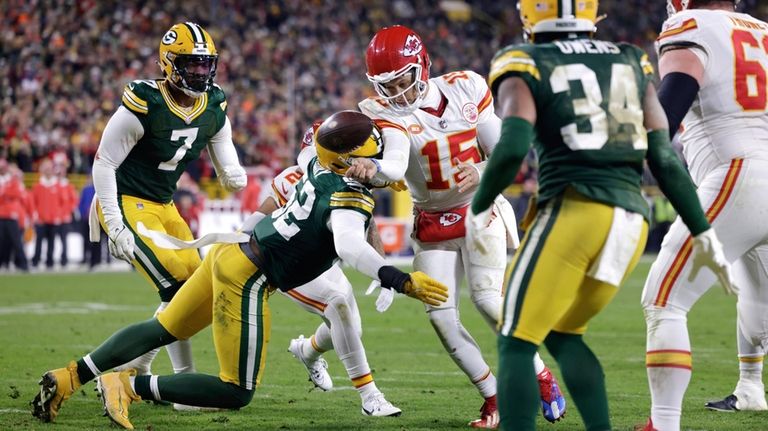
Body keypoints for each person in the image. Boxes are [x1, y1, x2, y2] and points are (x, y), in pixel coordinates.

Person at [30, 110, 448, 430]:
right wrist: (400, 278)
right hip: (249, 275)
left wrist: (379, 173)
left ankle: (68, 377)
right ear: (349, 160)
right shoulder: (347, 189)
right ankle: (128, 386)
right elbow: (349, 245)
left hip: (230, 252)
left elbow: (353, 168)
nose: (377, 158)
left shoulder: (318, 166)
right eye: (370, 153)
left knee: (164, 329)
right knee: (236, 390)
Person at [467, 1, 735, 429]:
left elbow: (514, 145)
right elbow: (664, 158)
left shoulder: (522, 59)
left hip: (575, 208)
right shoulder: (630, 58)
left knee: (516, 341)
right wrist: (704, 234)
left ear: (530, 15)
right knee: (563, 332)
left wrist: (479, 205)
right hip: (632, 218)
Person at [333, 25, 565, 428]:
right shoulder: (377, 112)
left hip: (478, 209)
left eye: (402, 80)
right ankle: (494, 397)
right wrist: (369, 170)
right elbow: (387, 165)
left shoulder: (467, 87)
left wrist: (479, 169)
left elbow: (507, 154)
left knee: (488, 301)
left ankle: (541, 376)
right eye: (385, 85)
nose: (396, 92)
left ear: (421, 65)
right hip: (430, 221)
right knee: (440, 317)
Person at [88, 22, 247, 396]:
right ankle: (178, 381)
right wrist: (115, 223)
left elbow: (220, 136)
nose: (200, 72)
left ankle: (139, 366)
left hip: (165, 205)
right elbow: (104, 163)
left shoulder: (213, 103)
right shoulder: (147, 102)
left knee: (201, 291)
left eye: (206, 65)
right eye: (191, 64)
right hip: (128, 203)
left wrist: (232, 168)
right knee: (178, 291)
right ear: (168, 63)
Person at [641, 1, 768, 428]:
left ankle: (663, 423)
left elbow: (667, 112)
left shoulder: (687, 25)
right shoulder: (761, 28)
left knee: (663, 300)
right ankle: (751, 386)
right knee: (759, 293)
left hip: (738, 172)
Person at [259, 159, 402, 417]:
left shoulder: (344, 179)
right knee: (337, 306)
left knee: (351, 329)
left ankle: (307, 351)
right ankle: (370, 396)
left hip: (323, 264)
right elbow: (257, 220)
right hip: (290, 265)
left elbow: (369, 227)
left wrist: (383, 277)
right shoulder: (292, 178)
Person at [31, 159, 65, 269]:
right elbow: (33, 202)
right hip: (41, 219)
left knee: (52, 242)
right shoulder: (38, 186)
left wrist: (59, 215)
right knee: (38, 242)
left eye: (49, 169)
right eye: (46, 169)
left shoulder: (58, 186)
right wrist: (35, 215)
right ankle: (36, 261)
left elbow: (63, 202)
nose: (48, 171)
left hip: (54, 220)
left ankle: (49, 262)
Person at [0, 159, 29, 271]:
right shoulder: (8, 182)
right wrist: (6, 195)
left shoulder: (12, 181)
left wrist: (4, 193)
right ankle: (4, 263)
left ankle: (23, 264)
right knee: (2, 242)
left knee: (16, 241)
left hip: (11, 216)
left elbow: (16, 194)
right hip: (2, 215)